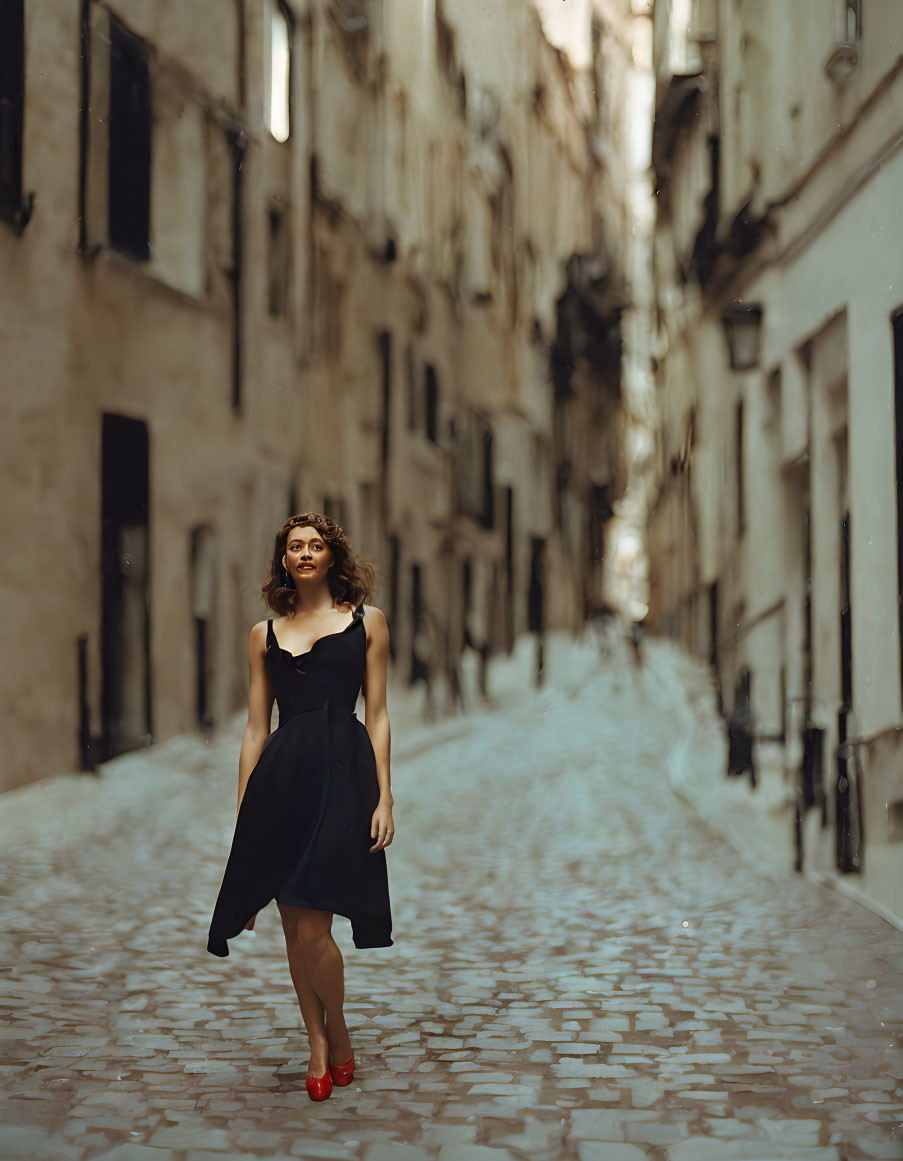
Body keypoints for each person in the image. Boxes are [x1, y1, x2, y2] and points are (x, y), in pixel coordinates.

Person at [207, 513, 395, 1102]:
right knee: (293, 923)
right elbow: (255, 728)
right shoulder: (263, 634)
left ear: (333, 558)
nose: (306, 553)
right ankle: (317, 1041)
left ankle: (337, 1031)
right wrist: (244, 807)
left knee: (316, 924)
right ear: (284, 561)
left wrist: (386, 794)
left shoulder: (367, 623)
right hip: (282, 782)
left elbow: (381, 714)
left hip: (345, 776)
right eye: (295, 546)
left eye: (316, 545)